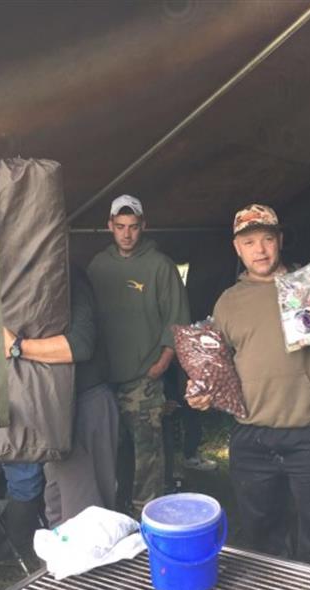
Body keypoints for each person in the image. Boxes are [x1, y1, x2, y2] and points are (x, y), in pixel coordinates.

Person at [188, 203, 310, 571]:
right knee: (263, 538)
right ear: (237, 248)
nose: (260, 250)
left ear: (280, 240)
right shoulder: (228, 302)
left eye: (267, 239)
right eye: (249, 242)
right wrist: (205, 392)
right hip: (252, 437)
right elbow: (218, 367)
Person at [0, 265, 119, 541]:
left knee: (86, 517)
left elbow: (78, 345)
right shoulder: (17, 282)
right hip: (52, 409)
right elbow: (25, 337)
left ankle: (81, 567)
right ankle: (55, 563)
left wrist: (15, 348)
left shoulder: (65, 279)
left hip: (84, 403)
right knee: (56, 506)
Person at [86, 194, 191, 512]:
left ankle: (148, 512)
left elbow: (177, 318)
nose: (127, 234)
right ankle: (113, 512)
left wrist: (162, 363)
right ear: (110, 226)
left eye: (133, 226)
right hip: (105, 379)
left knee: (148, 452)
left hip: (144, 377)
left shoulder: (160, 265)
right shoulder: (98, 266)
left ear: (143, 225)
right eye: (120, 226)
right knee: (109, 449)